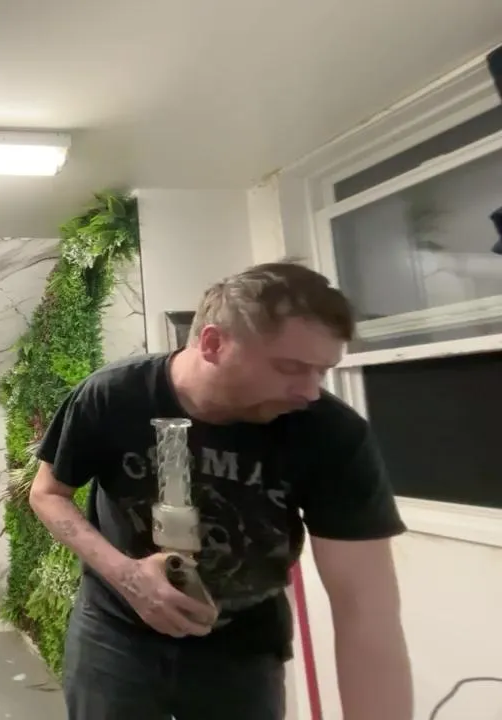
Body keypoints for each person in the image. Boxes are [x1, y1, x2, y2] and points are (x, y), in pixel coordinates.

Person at [29, 262, 413, 720]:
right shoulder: (113, 395)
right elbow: (48, 493)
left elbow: (366, 610)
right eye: (290, 368)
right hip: (116, 634)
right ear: (213, 343)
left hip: (242, 648)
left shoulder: (332, 434)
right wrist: (125, 575)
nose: (310, 392)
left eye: (323, 372)